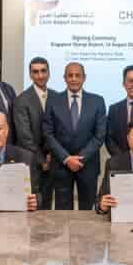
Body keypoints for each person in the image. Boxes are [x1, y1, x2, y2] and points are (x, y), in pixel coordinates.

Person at [43, 62, 107, 210]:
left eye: (77, 75)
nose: (74, 79)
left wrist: (80, 159)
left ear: (84, 78)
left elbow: (100, 135)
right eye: (70, 75)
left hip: (88, 165)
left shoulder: (97, 101)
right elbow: (48, 133)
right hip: (61, 165)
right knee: (62, 212)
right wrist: (67, 159)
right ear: (64, 78)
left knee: (88, 211)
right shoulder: (53, 101)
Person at [10, 57, 56, 209]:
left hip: (54, 160)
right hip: (32, 162)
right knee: (32, 206)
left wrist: (52, 155)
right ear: (30, 75)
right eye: (35, 72)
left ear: (49, 73)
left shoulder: (57, 96)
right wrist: (42, 160)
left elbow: (60, 130)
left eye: (43, 71)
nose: (40, 75)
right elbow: (24, 137)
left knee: (48, 205)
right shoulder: (21, 100)